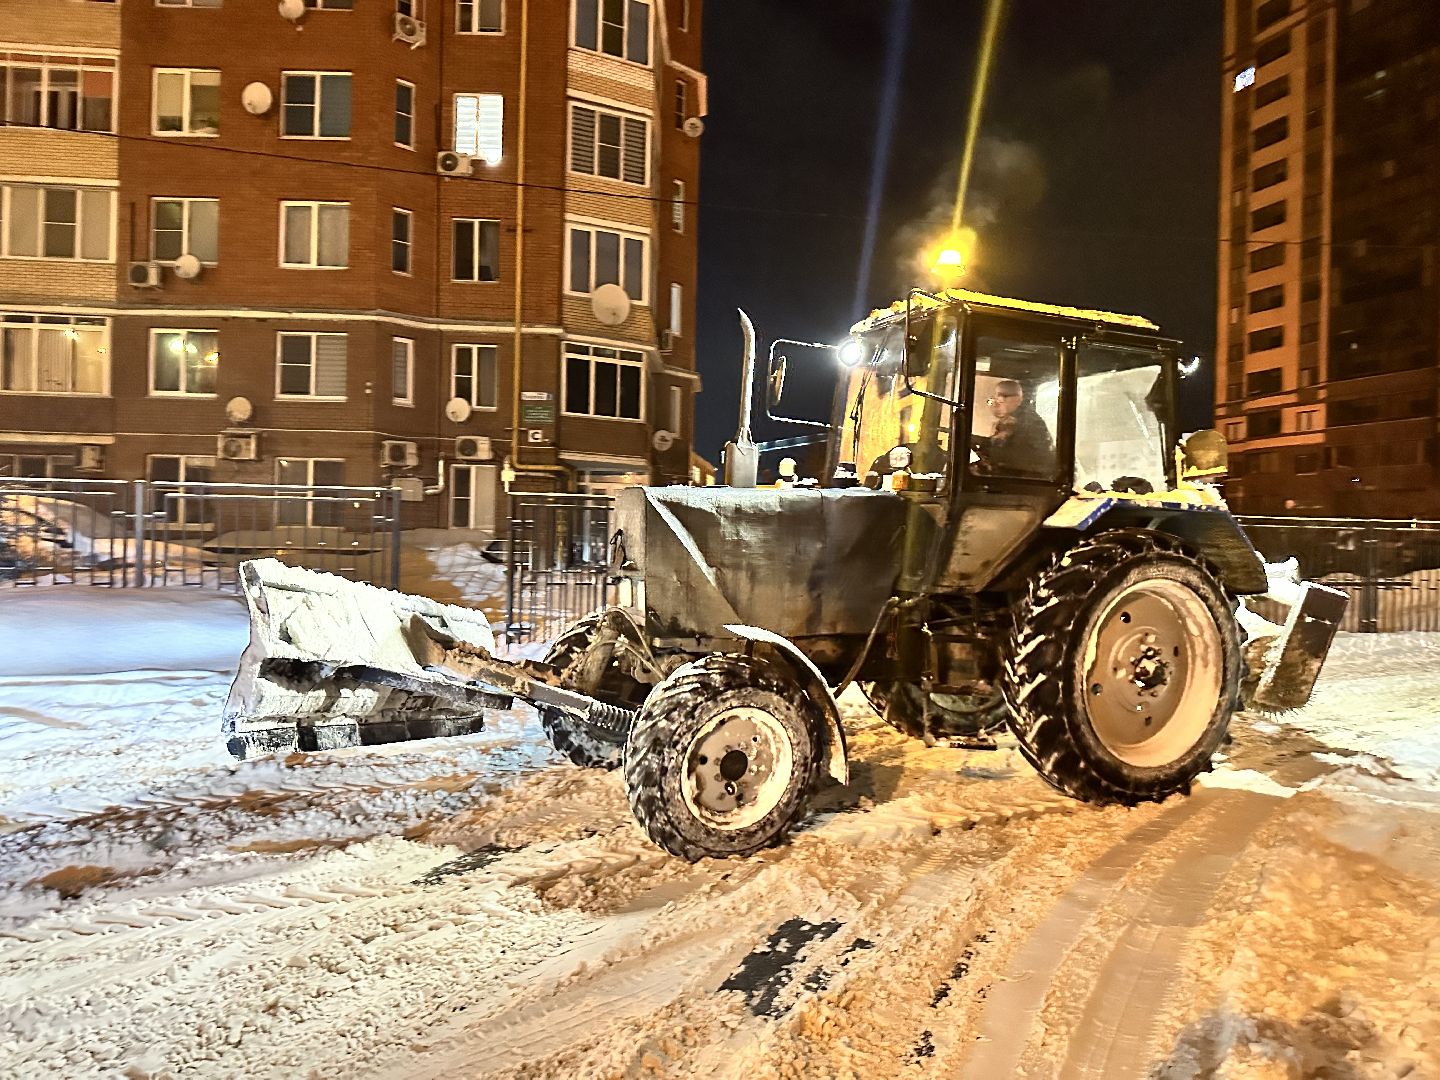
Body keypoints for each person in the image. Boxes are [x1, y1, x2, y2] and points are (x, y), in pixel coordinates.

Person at [976, 379, 1054, 476]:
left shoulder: (1028, 423)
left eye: (1001, 397)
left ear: (1018, 399)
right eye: (995, 398)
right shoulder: (1009, 421)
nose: (996, 403)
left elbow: (1018, 457)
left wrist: (988, 450)